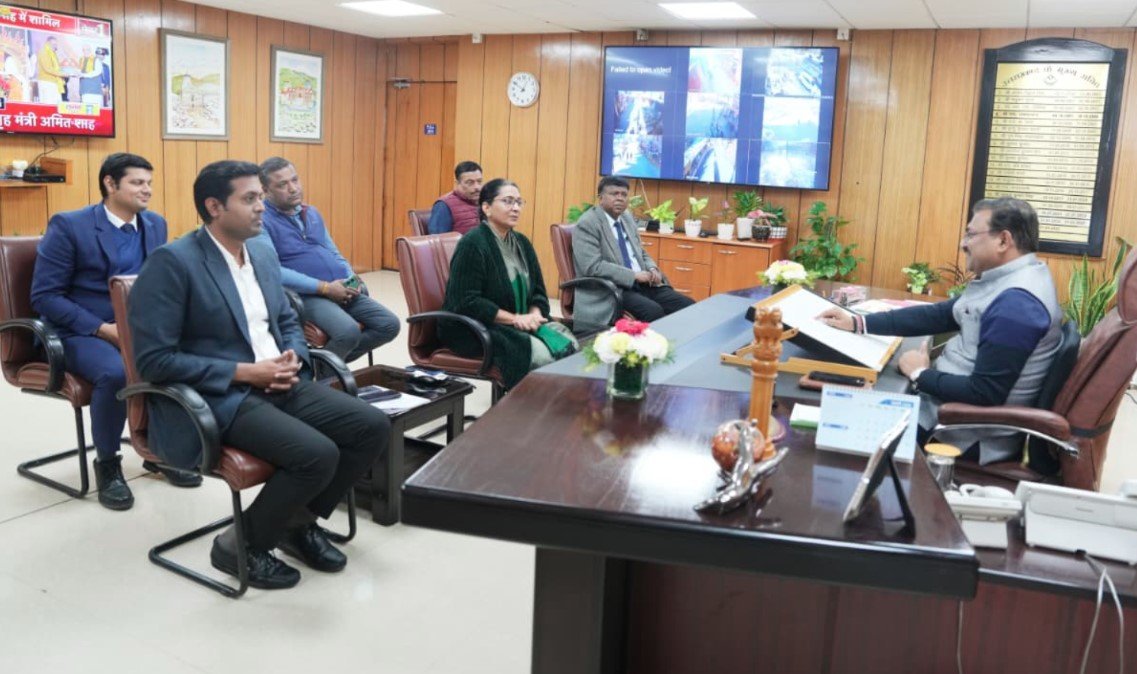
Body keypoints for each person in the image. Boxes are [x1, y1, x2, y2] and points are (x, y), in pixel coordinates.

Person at [128, 160, 389, 590]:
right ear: (214, 206)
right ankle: (239, 546)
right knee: (317, 454)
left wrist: (294, 358)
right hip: (222, 394)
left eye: (261, 198)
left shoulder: (262, 252)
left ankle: (295, 523)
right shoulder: (173, 263)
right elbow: (155, 360)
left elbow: (286, 318)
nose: (261, 207)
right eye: (249, 198)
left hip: (279, 380)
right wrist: (246, 372)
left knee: (371, 426)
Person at [818, 198, 1063, 464]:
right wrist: (858, 323)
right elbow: (940, 314)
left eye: (971, 234)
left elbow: (985, 393)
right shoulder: (1016, 278)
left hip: (957, 432)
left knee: (834, 425)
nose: (963, 244)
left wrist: (919, 374)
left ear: (1003, 241)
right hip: (943, 410)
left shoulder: (1017, 305)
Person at [30, 153, 200, 510]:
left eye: (149, 183)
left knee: (186, 357)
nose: (147, 190)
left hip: (137, 326)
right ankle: (108, 464)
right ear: (110, 183)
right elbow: (45, 296)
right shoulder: (70, 225)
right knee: (116, 372)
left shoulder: (155, 224)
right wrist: (103, 329)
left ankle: (158, 450)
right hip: (78, 330)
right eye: (137, 183)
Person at [256, 156, 400, 364]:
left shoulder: (311, 213)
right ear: (265, 190)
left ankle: (322, 367)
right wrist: (324, 288)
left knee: (389, 325)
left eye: (295, 180)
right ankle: (327, 375)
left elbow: (333, 252)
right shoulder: (261, 221)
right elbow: (273, 271)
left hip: (340, 288)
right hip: (305, 295)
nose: (293, 188)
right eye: (282, 184)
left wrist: (352, 278)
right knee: (348, 332)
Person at [442, 178, 578, 390]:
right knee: (542, 356)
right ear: (486, 208)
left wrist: (534, 314)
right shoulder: (473, 244)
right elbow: (466, 301)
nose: (515, 208)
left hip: (519, 321)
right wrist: (515, 319)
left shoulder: (522, 242)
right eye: (507, 201)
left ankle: (554, 403)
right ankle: (527, 407)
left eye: (519, 202)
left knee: (569, 344)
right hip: (475, 328)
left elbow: (538, 291)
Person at [572, 176, 694, 335]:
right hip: (613, 289)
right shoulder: (588, 223)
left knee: (687, 306)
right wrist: (633, 275)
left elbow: (640, 251)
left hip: (644, 284)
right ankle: (656, 348)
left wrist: (652, 268)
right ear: (600, 198)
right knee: (653, 312)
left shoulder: (626, 217)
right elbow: (592, 266)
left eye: (624, 194)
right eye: (614, 194)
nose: (620, 198)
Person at [428, 161, 483, 235]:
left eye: (479, 181)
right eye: (470, 182)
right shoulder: (444, 205)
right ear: (457, 183)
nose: (477, 187)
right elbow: (438, 239)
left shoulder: (485, 201)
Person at [35, 36, 63, 104]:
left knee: (56, 105)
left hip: (53, 82)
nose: (55, 46)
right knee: (49, 104)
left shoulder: (52, 53)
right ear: (47, 43)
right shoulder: (44, 52)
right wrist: (63, 74)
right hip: (47, 82)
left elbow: (56, 67)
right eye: (53, 44)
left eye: (56, 44)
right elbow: (48, 68)